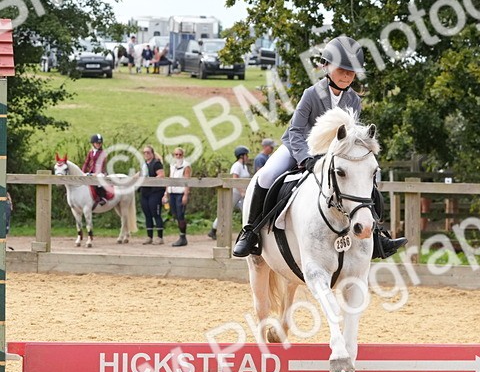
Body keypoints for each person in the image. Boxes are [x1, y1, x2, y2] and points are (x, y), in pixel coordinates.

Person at [233, 35, 406, 259]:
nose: (346, 75)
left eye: (351, 71)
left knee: (368, 178)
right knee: (266, 175)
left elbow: (350, 137)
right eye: (342, 69)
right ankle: (250, 232)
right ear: (326, 66)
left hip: (334, 153)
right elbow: (296, 130)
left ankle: (376, 235)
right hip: (300, 148)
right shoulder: (311, 94)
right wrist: (306, 158)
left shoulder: (354, 100)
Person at [211, 146, 251, 238]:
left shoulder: (244, 166)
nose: (247, 157)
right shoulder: (237, 166)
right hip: (235, 193)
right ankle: (214, 229)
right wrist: (241, 191)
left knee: (246, 211)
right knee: (226, 210)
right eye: (246, 155)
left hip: (241, 194)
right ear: (241, 156)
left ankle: (246, 230)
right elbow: (235, 179)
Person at [140, 145, 166, 244]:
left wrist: (151, 180)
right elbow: (140, 174)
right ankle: (149, 236)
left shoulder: (156, 163)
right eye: (144, 152)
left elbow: (161, 175)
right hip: (145, 192)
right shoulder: (144, 164)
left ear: (152, 153)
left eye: (148, 152)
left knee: (156, 213)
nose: (146, 154)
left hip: (155, 192)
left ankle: (160, 237)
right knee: (147, 214)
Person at [168, 145, 191, 246]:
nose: (178, 156)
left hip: (180, 192)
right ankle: (181, 236)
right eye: (176, 154)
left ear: (183, 155)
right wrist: (166, 192)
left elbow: (187, 181)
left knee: (180, 214)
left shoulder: (186, 166)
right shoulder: (172, 165)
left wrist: (186, 194)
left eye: (180, 154)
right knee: (175, 214)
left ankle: (183, 236)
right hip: (172, 192)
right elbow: (170, 177)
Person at [82, 134, 108, 205]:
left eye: (100, 143)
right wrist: (82, 172)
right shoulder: (91, 152)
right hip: (92, 171)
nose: (98, 145)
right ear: (93, 143)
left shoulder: (103, 153)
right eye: (97, 143)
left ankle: (103, 197)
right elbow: (86, 162)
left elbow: (101, 164)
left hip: (100, 172)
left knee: (99, 179)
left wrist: (96, 173)